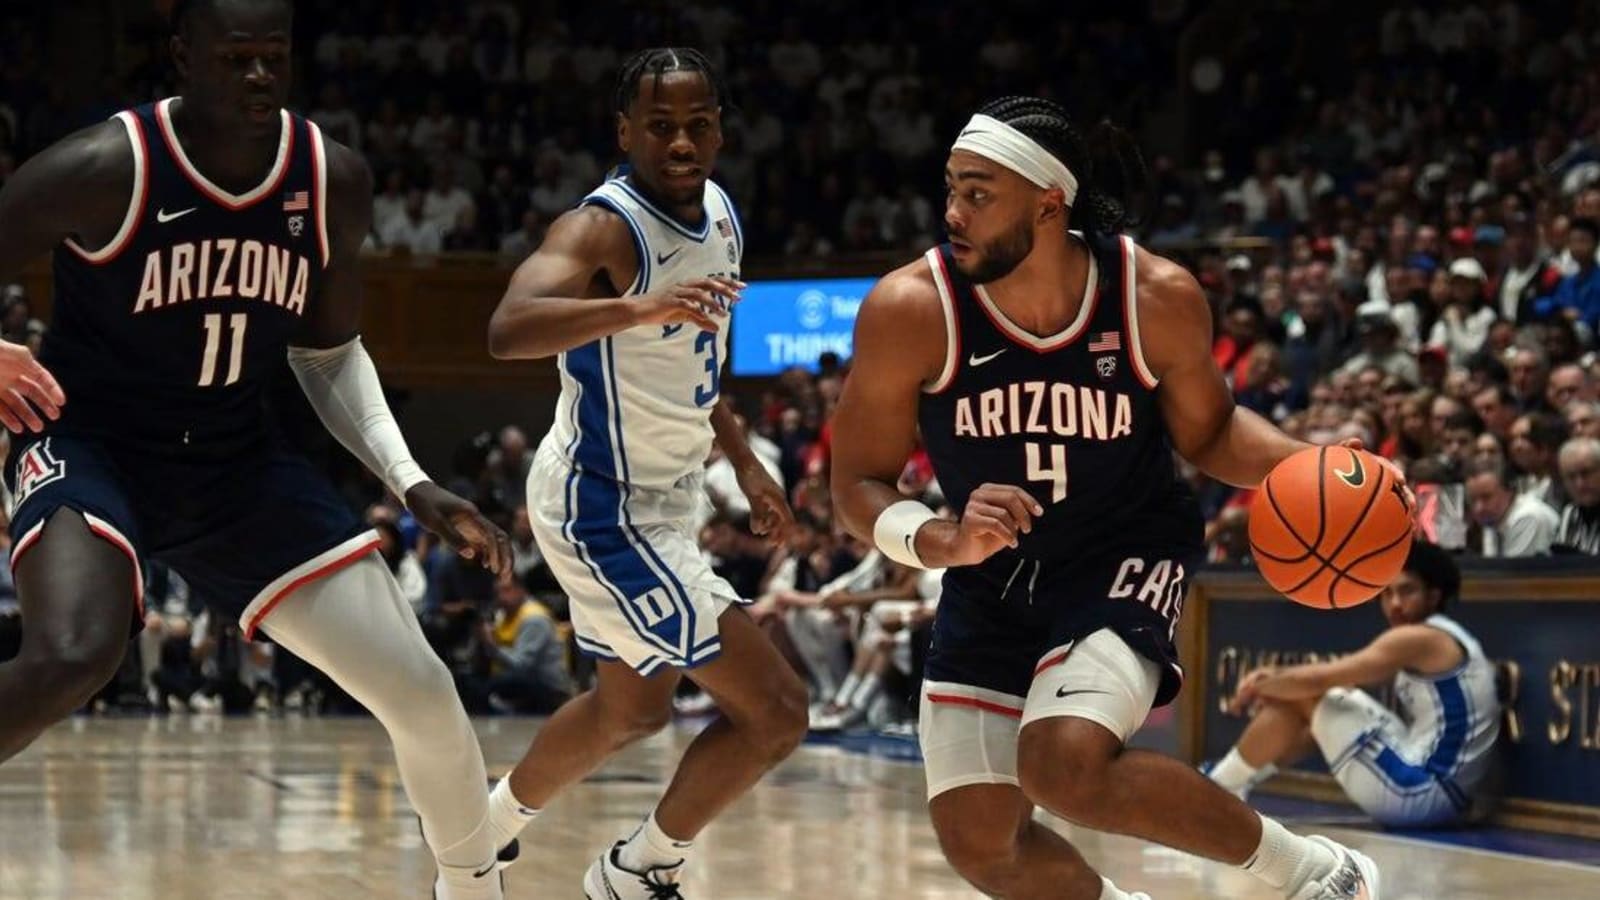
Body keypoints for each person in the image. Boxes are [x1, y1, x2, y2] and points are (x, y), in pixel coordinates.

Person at [0, 2, 514, 897]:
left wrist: (411, 479)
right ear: (182, 59)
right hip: (93, 443)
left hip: (236, 461)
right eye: (234, 58)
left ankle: (474, 884)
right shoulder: (103, 167)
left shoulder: (329, 179)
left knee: (423, 693)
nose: (257, 78)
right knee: (75, 653)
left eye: (272, 57)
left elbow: (328, 353)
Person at [829, 95, 1389, 900]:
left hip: (1123, 553)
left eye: (979, 192)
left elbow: (1211, 431)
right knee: (982, 844)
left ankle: (1317, 877)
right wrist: (938, 538)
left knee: (1063, 766)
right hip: (991, 579)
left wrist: (1307, 462)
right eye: (950, 188)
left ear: (1049, 203)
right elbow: (853, 483)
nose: (953, 212)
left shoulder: (1151, 294)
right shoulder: (912, 307)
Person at [483, 48, 807, 898]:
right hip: (601, 504)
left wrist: (745, 462)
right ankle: (639, 868)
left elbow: (697, 368)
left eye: (698, 125)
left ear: (721, 133)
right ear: (624, 132)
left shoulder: (725, 217)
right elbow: (508, 327)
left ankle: (478, 834)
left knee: (632, 710)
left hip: (670, 497)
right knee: (776, 709)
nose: (680, 142)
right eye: (659, 126)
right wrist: (635, 306)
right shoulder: (603, 228)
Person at [1209, 542, 1501, 828]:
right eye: (1386, 594)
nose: (1395, 604)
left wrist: (1260, 685)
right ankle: (1235, 782)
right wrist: (1275, 682)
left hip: (1422, 792)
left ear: (1434, 595)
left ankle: (1217, 790)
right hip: (1446, 793)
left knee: (1316, 696)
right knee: (1325, 713)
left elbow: (1323, 678)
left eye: (1406, 591)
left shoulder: (1420, 639)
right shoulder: (1449, 636)